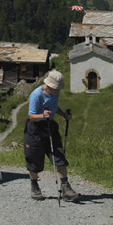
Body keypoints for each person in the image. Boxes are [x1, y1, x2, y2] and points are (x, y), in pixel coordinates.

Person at [24, 70, 79, 200]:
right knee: (34, 159)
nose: (57, 91)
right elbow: (31, 115)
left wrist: (63, 115)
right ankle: (34, 186)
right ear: (48, 86)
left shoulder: (55, 93)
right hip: (35, 128)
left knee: (59, 155)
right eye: (55, 88)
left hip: (50, 126)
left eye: (58, 88)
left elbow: (54, 107)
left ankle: (66, 187)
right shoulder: (36, 95)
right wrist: (42, 116)